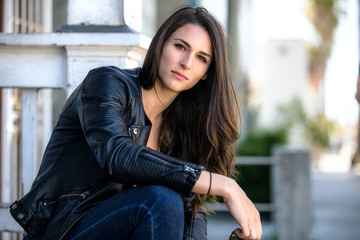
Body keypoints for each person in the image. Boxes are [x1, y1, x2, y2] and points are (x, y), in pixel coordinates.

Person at [10, 6, 262, 240]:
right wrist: (224, 185)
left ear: (206, 73)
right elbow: (118, 156)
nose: (186, 63)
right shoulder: (107, 84)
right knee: (160, 200)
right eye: (180, 46)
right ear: (160, 44)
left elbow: (190, 213)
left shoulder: (184, 127)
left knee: (173, 203)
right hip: (63, 230)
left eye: (201, 58)